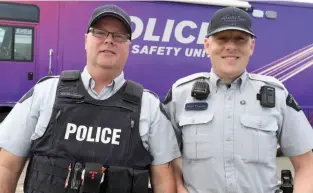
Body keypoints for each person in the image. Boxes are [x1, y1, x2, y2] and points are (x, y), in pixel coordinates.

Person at [0, 4, 180, 193]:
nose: (109, 40)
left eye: (119, 36)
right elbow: (6, 167)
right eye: (100, 33)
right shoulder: (45, 93)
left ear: (129, 47)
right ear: (86, 40)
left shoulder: (149, 107)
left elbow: (165, 182)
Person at [163, 6, 313, 193]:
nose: (231, 46)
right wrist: (178, 188)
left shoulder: (276, 95)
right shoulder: (181, 94)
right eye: (222, 38)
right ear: (207, 45)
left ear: (251, 47)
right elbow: (164, 159)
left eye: (240, 39)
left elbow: (307, 164)